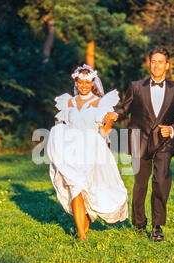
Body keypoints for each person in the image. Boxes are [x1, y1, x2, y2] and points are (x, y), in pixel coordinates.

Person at [104, 47, 174, 241]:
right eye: (153, 61)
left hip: (164, 143)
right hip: (139, 142)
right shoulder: (136, 86)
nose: (156, 65)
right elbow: (125, 108)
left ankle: (157, 226)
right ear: (149, 63)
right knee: (140, 185)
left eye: (160, 61)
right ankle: (139, 223)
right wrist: (115, 114)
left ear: (167, 65)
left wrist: (172, 128)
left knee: (161, 181)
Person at [46, 64, 128, 241]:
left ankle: (86, 217)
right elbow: (64, 125)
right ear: (76, 82)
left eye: (87, 82)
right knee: (75, 187)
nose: (83, 85)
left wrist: (108, 121)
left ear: (92, 83)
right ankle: (81, 234)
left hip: (92, 150)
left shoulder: (101, 103)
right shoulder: (68, 102)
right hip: (71, 150)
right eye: (80, 82)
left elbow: (105, 132)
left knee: (89, 188)